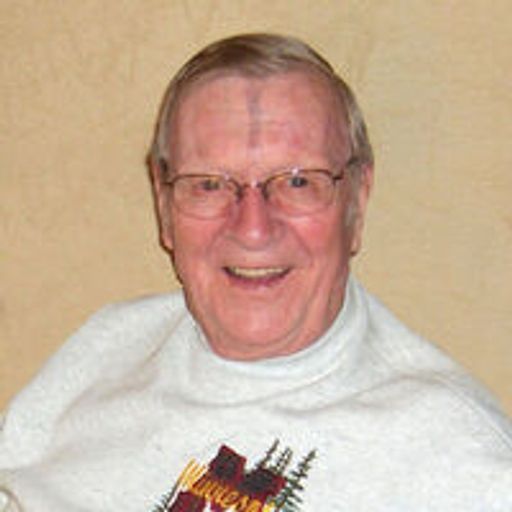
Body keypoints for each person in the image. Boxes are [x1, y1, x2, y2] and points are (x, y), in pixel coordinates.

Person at [0, 33, 511, 511]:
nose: (252, 228)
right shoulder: (106, 347)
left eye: (297, 181)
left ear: (356, 201)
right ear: (163, 203)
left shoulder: (461, 461)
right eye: (209, 184)